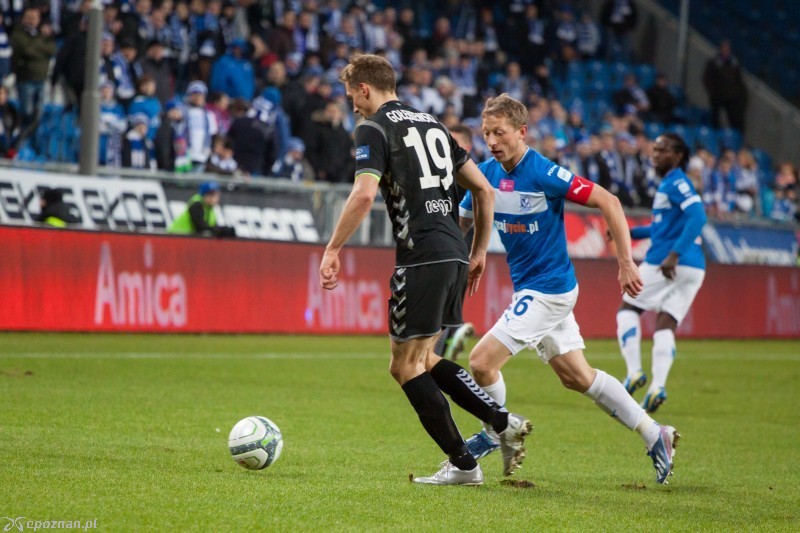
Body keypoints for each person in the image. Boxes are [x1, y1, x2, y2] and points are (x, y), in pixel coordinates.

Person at [319, 54, 531, 486]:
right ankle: (499, 423)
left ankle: (467, 463)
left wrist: (333, 248)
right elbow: (484, 190)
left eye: (351, 96)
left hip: (422, 255)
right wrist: (477, 251)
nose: (352, 106)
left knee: (404, 366)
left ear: (365, 89)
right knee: (426, 358)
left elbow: (363, 195)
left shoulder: (373, 127)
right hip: (453, 251)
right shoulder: (433, 124)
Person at [458, 93, 679, 485]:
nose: (491, 141)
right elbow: (462, 219)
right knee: (577, 376)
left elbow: (608, 201)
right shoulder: (486, 175)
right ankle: (653, 433)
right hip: (535, 289)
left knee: (480, 361)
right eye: (486, 132)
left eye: (500, 132)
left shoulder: (544, 172)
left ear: (522, 132)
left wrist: (626, 261)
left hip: (549, 290)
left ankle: (496, 429)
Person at [613, 133, 707, 416]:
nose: (654, 154)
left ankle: (633, 373)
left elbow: (699, 216)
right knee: (665, 322)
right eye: (653, 149)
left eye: (662, 150)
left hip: (666, 262)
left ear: (678, 156)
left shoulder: (676, 181)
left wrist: (674, 254)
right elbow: (661, 229)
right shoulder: (671, 184)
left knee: (628, 307)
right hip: (695, 268)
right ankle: (658, 386)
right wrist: (629, 233)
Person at [702, 40, 747, 131]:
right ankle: (715, 135)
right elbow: (707, 78)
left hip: (731, 97)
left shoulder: (734, 63)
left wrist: (736, 93)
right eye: (725, 48)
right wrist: (713, 91)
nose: (727, 51)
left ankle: (734, 138)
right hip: (717, 96)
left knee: (735, 118)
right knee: (715, 117)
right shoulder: (714, 63)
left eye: (728, 49)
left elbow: (738, 80)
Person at [167, 181, 236, 237]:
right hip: (175, 236)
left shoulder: (210, 210)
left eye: (217, 195)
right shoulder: (196, 204)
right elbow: (200, 227)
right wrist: (221, 230)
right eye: (212, 195)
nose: (216, 198)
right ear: (205, 195)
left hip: (185, 239)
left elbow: (212, 227)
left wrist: (221, 230)